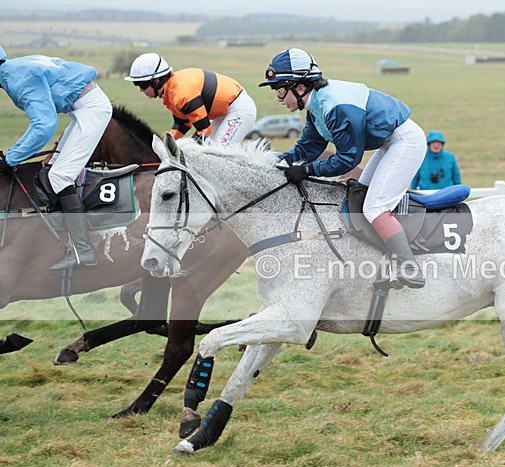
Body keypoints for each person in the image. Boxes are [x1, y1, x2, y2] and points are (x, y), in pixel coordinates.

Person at [259, 48, 427, 289]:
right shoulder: (316, 105)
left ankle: (410, 268)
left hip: (405, 141)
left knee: (375, 207)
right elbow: (308, 147)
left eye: (281, 90)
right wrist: (273, 162)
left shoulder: (335, 106)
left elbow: (348, 159)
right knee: (359, 195)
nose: (279, 98)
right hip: (389, 141)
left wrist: (307, 171)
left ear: (300, 87)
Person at [0, 45, 112, 270]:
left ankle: (83, 250)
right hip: (83, 107)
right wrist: (12, 156)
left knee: (60, 176)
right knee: (50, 169)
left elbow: (44, 126)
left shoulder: (16, 80)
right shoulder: (15, 67)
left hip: (90, 109)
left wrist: (10, 159)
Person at [125, 53, 256, 145]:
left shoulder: (181, 93)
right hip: (223, 111)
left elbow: (204, 131)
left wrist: (188, 149)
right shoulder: (171, 91)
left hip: (239, 109)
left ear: (156, 81)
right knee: (208, 151)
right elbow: (182, 124)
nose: (141, 90)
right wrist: (166, 145)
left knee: (219, 153)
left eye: (142, 85)